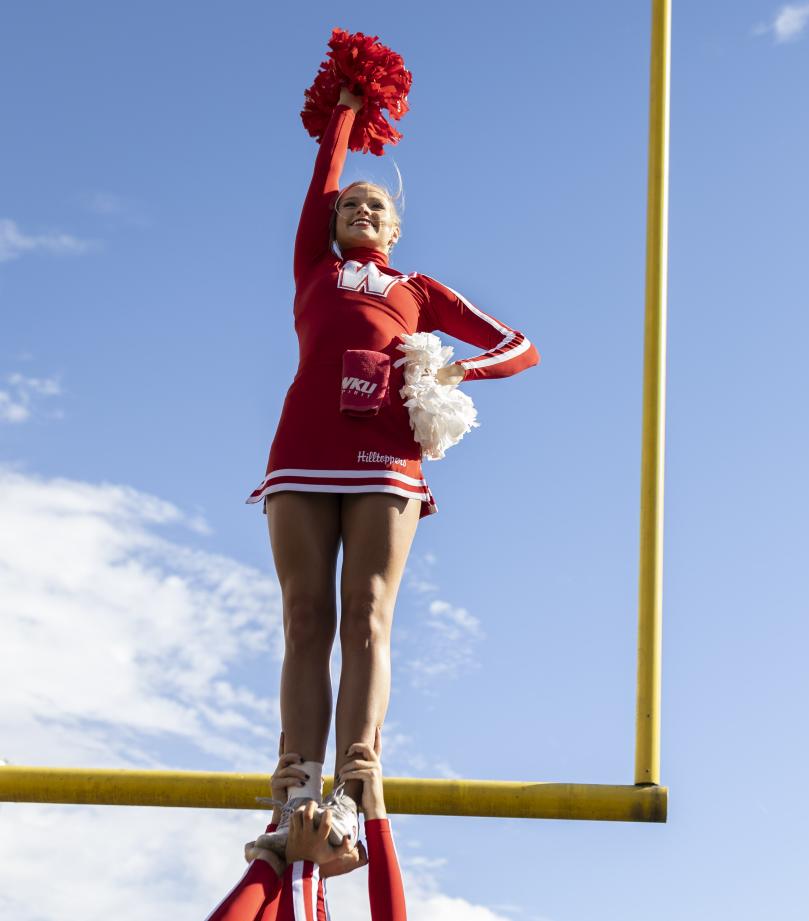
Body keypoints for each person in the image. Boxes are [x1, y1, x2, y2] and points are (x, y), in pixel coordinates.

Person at [246, 84, 539, 851]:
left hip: (385, 453)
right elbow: (322, 179)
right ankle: (294, 785)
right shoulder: (315, 267)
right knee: (304, 615)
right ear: (331, 224)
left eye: (376, 207)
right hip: (304, 446)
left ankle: (352, 785)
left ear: (397, 227)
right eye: (351, 206)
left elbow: (518, 345)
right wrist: (344, 109)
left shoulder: (416, 289)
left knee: (367, 612)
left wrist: (455, 376)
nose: (361, 211)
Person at [208, 739, 406, 920]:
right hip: (298, 884)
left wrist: (273, 858)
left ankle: (304, 794)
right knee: (357, 760)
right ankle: (318, 796)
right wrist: (376, 813)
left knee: (309, 760)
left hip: (294, 881)